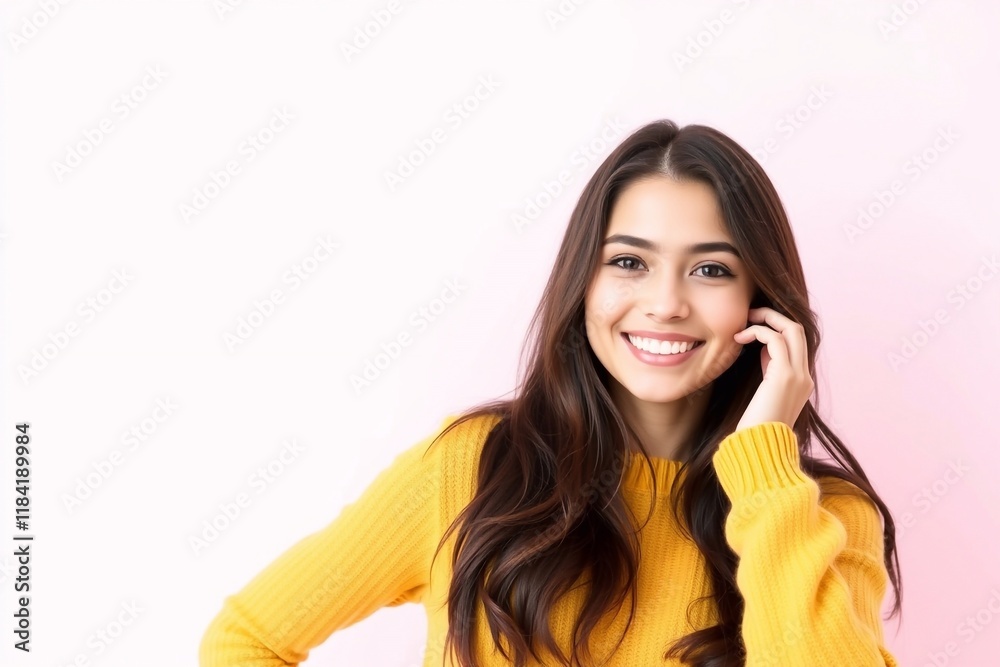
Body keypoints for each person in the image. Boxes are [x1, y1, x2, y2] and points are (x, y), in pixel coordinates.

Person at [199, 119, 902, 666]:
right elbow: (247, 637)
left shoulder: (824, 518)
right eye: (628, 261)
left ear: (762, 302)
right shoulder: (470, 469)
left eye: (711, 270)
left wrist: (764, 469)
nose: (664, 303)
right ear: (583, 283)